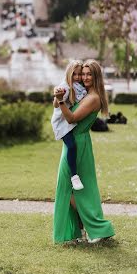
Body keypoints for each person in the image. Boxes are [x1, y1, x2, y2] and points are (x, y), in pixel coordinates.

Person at [53, 59, 115, 245]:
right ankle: (81, 231)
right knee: (74, 189)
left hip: (78, 144)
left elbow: (71, 118)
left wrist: (61, 100)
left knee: (68, 188)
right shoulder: (86, 94)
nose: (85, 77)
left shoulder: (93, 98)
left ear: (96, 76)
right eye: (83, 74)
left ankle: (96, 229)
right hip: (78, 142)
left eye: (89, 74)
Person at [51, 60, 87, 191]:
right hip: (61, 123)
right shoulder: (65, 87)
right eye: (74, 75)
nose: (77, 77)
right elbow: (55, 104)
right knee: (71, 146)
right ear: (69, 75)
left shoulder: (79, 88)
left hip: (68, 121)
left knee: (73, 146)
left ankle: (74, 175)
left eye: (79, 74)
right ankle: (74, 176)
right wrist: (58, 96)